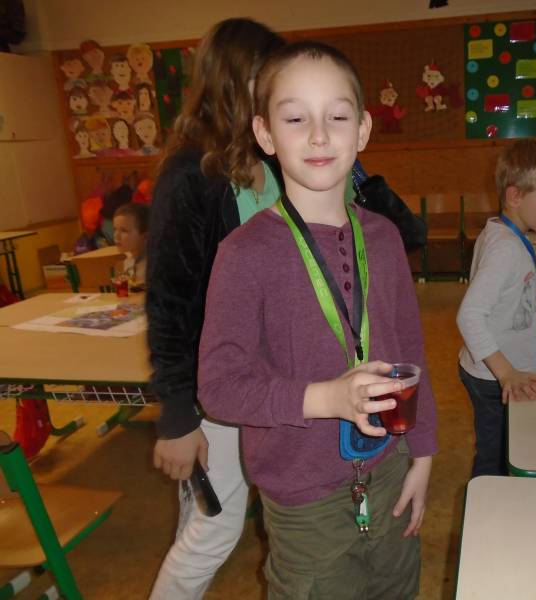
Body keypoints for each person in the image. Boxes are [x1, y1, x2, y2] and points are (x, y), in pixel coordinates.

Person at [198, 41, 437, 599]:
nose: (319, 136)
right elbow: (218, 388)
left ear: (363, 129)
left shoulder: (384, 237)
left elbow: (412, 352)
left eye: (337, 116)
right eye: (295, 118)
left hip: (391, 469)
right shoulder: (244, 253)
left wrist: (423, 453)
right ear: (264, 135)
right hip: (303, 498)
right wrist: (326, 399)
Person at [146, 18, 286, 600]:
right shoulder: (190, 173)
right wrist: (179, 419)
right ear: (234, 79)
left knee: (203, 515)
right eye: (268, 77)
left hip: (267, 370)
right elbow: (169, 302)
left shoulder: (268, 160)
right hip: (219, 380)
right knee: (217, 526)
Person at [456, 139, 536, 477]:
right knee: (496, 456)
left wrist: (533, 281)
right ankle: (487, 501)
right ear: (515, 196)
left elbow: (499, 290)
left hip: (498, 370)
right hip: (495, 376)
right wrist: (506, 373)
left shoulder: (500, 231)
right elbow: (469, 315)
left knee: (511, 445)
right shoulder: (505, 248)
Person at [113, 202, 148, 288]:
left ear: (145, 235)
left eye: (124, 230)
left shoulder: (155, 266)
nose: (116, 236)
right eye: (115, 229)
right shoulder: (128, 262)